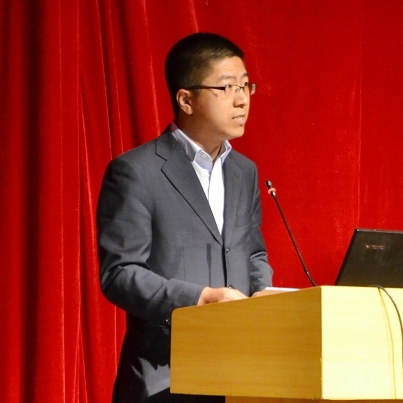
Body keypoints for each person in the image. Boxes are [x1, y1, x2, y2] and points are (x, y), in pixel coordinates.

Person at [97, 32, 273, 402]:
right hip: (166, 375)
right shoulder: (136, 171)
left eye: (246, 85)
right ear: (186, 99)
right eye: (226, 87)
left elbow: (253, 253)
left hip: (241, 372)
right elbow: (120, 273)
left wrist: (263, 295)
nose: (242, 99)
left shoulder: (244, 171)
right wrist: (201, 299)